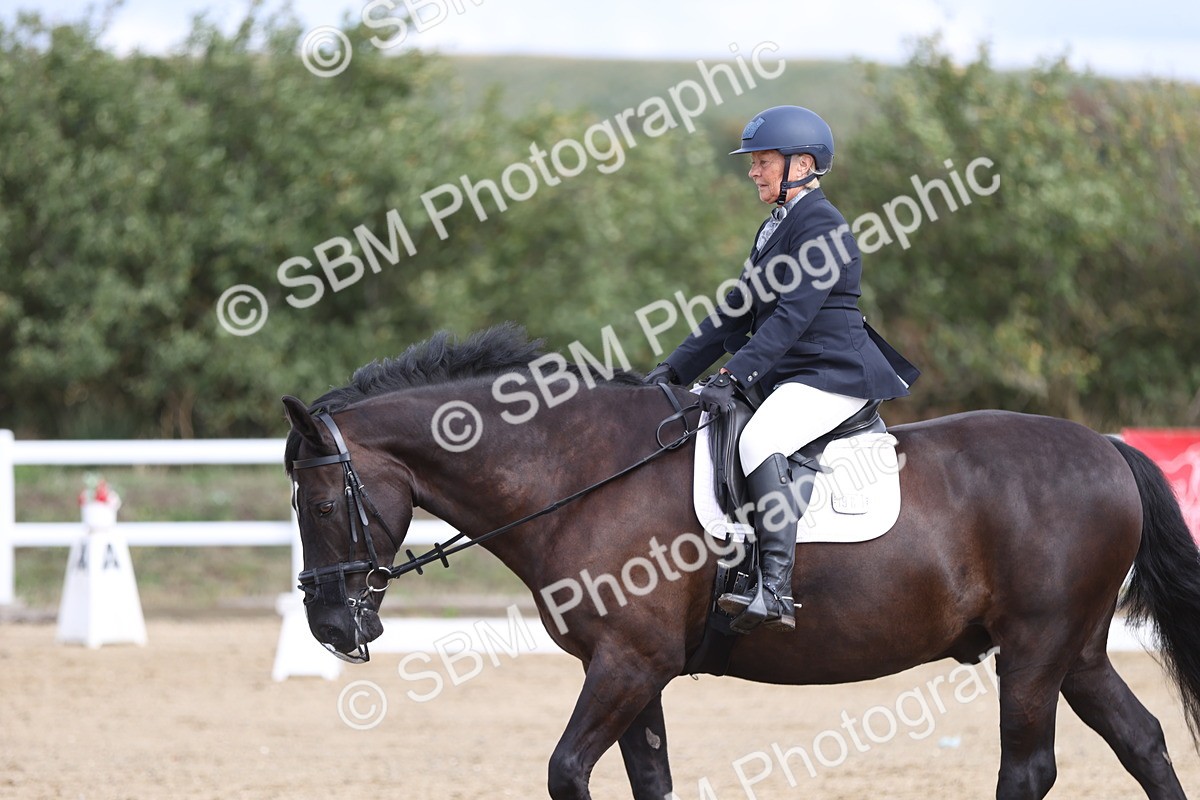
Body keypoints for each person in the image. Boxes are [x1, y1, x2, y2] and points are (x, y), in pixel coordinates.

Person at [644, 105, 919, 633]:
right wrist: (672, 370)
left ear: (803, 164)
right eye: (754, 162)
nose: (753, 171)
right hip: (793, 374)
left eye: (764, 161)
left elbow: (792, 317)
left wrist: (734, 376)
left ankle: (773, 588)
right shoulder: (777, 226)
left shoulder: (823, 225)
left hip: (831, 376)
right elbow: (735, 310)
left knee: (758, 439)